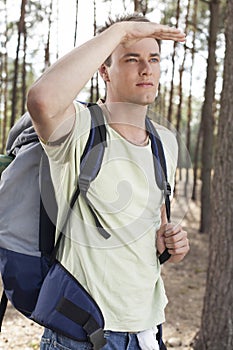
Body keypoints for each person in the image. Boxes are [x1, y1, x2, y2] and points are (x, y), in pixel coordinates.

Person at [27, 13, 190, 350]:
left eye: (153, 59)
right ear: (104, 70)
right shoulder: (79, 127)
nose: (146, 69)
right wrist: (120, 32)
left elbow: (156, 230)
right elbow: (41, 99)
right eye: (132, 59)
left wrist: (170, 246)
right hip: (81, 333)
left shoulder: (165, 142)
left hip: (147, 330)